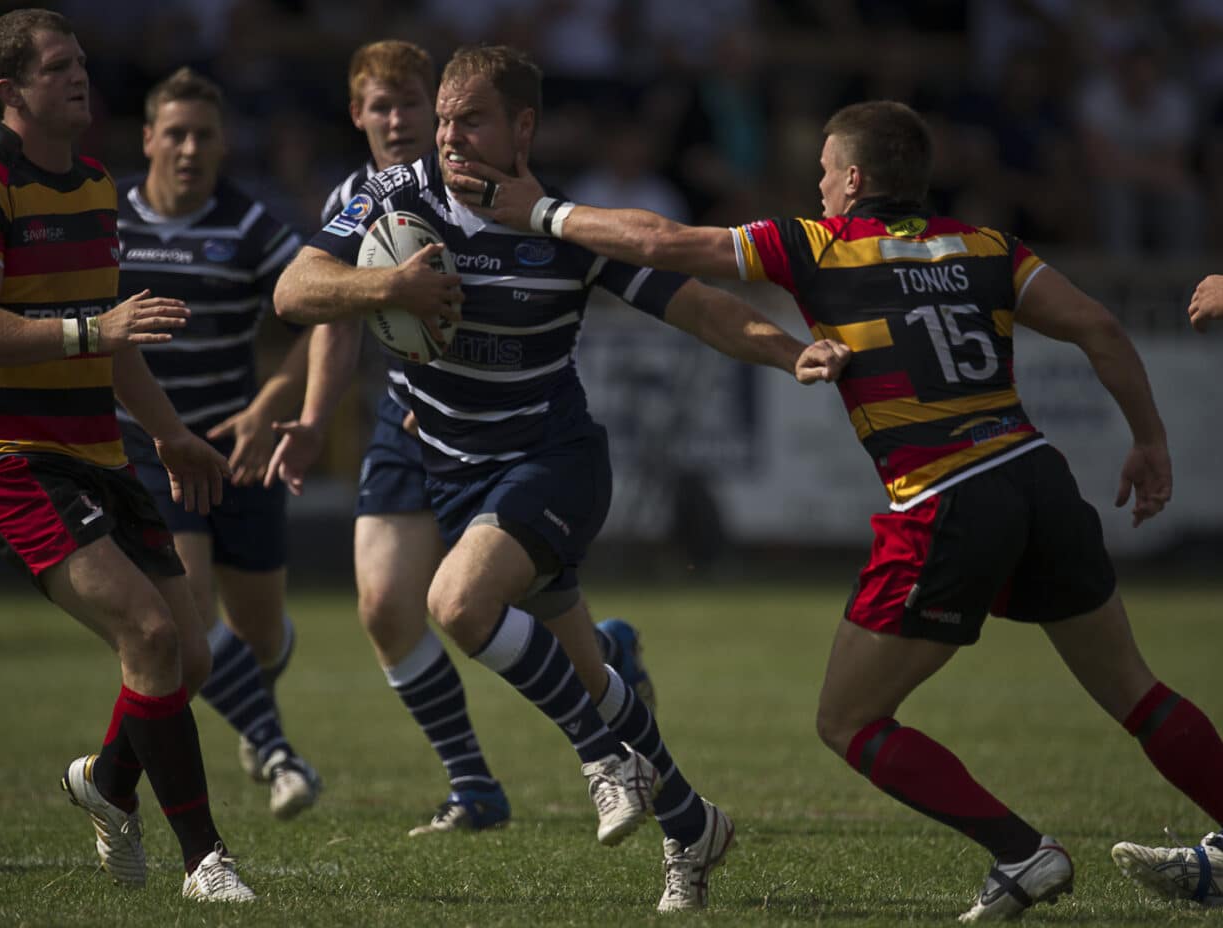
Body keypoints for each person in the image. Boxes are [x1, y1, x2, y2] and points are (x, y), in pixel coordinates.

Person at [456, 97, 1223, 919]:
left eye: (824, 171)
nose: (818, 185)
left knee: (848, 719)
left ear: (853, 181)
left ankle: (1022, 853)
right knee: (1136, 692)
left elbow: (663, 244)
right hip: (1038, 479)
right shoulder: (987, 247)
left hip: (945, 497)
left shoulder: (817, 244)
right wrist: (1149, 440)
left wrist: (541, 210)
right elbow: (1102, 328)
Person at [271, 43, 845, 912]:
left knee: (457, 604)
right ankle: (694, 826)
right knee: (591, 678)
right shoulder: (396, 198)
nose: (451, 137)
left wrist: (794, 352)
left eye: (474, 120)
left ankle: (599, 760)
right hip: (455, 471)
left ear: (523, 127)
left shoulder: (564, 225)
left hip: (554, 462)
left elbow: (700, 309)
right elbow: (293, 290)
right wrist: (390, 287)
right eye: (446, 119)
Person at [267, 39, 656, 839]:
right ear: (359, 115)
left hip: (503, 422)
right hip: (407, 419)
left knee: (502, 607)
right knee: (384, 604)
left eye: (418, 103)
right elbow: (327, 308)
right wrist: (311, 418)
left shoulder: (490, 191)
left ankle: (609, 673)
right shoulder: (363, 195)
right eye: (386, 106)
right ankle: (473, 783)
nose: (405, 120)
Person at [0, 9, 253, 901]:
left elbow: (112, 341)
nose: (80, 77)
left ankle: (106, 785)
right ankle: (205, 863)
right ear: (11, 92)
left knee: (189, 659)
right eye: (58, 67)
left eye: (80, 63)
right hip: (9, 457)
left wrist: (170, 429)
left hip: (99, 452)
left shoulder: (99, 183)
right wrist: (90, 328)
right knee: (146, 634)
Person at [116, 65, 321, 821]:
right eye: (175, 132)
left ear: (224, 143)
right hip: (150, 449)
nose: (190, 147)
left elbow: (326, 312)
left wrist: (273, 401)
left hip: (241, 445)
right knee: (189, 616)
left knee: (259, 632)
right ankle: (277, 754)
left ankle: (256, 686)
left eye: (204, 134)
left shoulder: (249, 225)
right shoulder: (110, 226)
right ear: (148, 139)